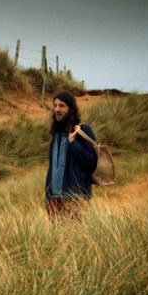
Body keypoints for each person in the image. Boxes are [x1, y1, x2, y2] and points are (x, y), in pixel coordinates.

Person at [45, 91, 98, 219]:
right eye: (55, 105)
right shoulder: (56, 134)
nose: (57, 109)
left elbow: (91, 163)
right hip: (54, 198)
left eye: (62, 106)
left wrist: (73, 143)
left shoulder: (82, 130)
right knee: (57, 237)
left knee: (76, 236)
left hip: (75, 197)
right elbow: (53, 168)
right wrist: (48, 194)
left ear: (71, 109)